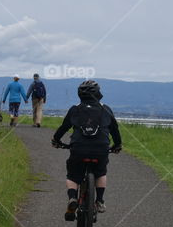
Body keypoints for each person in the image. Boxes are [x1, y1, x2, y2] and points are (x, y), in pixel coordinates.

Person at [51, 80, 122, 219]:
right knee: (100, 172)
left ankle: (72, 198)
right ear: (98, 93)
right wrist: (117, 145)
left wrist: (56, 141)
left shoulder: (75, 109)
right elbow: (115, 130)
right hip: (101, 149)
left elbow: (63, 128)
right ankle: (100, 201)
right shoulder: (106, 109)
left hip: (79, 148)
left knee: (73, 175)